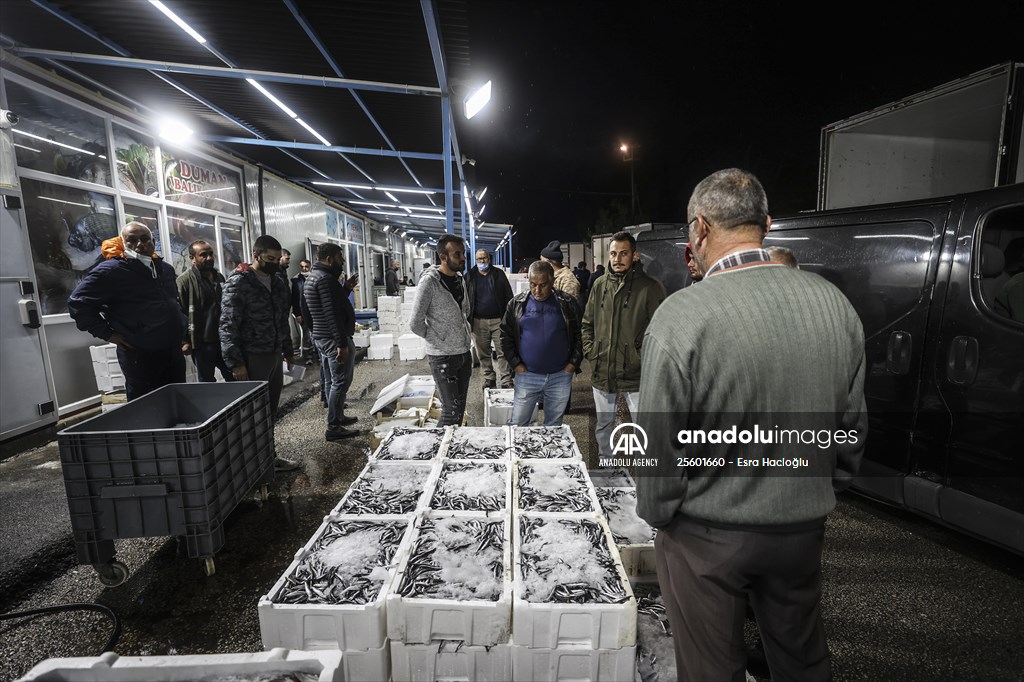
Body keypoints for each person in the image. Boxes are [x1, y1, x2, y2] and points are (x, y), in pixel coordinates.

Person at [635, 168, 868, 682]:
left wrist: (661, 514)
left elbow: (658, 445)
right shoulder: (834, 305)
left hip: (706, 533)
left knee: (712, 666)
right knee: (802, 658)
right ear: (766, 222)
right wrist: (819, 491)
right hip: (801, 528)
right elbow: (851, 428)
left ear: (698, 229)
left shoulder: (682, 316)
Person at [68, 222, 186, 401]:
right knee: (146, 407)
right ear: (123, 244)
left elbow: (173, 303)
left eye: (145, 239)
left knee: (178, 401)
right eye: (132, 240)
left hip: (172, 351)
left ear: (153, 242)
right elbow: (78, 304)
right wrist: (108, 333)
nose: (139, 244)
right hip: (141, 355)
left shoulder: (165, 269)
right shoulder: (111, 272)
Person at [581, 231, 665, 462]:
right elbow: (587, 323)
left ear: (635, 255)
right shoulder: (599, 285)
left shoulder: (650, 288)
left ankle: (648, 477)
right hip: (603, 369)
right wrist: (592, 351)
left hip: (636, 373)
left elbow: (660, 332)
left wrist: (641, 357)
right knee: (604, 425)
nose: (617, 259)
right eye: (613, 254)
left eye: (624, 253)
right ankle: (607, 471)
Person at [220, 235, 298, 472]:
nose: (275, 263)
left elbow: (282, 318)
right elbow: (227, 325)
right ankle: (249, 464)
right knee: (252, 415)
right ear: (256, 255)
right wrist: (235, 363)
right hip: (252, 357)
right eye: (270, 258)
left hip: (273, 353)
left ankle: (268, 458)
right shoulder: (239, 282)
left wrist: (287, 349)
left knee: (269, 411)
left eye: (277, 258)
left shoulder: (278, 281)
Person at [500, 260, 582, 426]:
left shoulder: (567, 304)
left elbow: (579, 335)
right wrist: (516, 364)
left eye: (543, 285)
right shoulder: (516, 304)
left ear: (552, 282)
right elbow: (505, 336)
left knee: (553, 425)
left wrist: (572, 364)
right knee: (518, 424)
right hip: (527, 376)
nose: (537, 290)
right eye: (532, 284)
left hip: (560, 376)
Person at [410, 235, 473, 427]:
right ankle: (437, 453)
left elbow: (466, 311)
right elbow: (415, 322)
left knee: (459, 410)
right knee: (451, 413)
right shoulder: (429, 283)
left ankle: (452, 450)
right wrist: (438, 338)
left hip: (463, 354)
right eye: (457, 254)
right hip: (443, 358)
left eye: (463, 253)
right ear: (443, 256)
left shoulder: (460, 279)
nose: (463, 258)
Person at [302, 243, 359, 441]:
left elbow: (326, 306)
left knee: (333, 380)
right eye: (340, 257)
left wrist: (346, 289)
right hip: (332, 338)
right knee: (340, 382)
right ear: (329, 259)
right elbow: (331, 314)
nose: (342, 261)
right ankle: (333, 426)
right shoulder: (326, 280)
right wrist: (341, 344)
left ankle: (338, 417)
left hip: (322, 336)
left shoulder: (314, 278)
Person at [176, 239, 233, 383]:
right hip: (202, 343)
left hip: (224, 339)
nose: (209, 258)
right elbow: (180, 311)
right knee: (207, 382)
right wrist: (184, 340)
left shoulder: (219, 277)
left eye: (211, 254)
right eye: (203, 255)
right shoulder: (184, 281)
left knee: (233, 376)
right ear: (192, 258)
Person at [467, 248, 515, 389]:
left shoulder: (498, 274)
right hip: (478, 321)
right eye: (479, 259)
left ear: (489, 258)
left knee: (503, 351)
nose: (482, 261)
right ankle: (489, 378)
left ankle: (506, 379)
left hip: (498, 320)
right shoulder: (470, 276)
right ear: (475, 261)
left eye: (485, 258)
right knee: (483, 352)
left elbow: (508, 295)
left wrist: (509, 317)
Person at [291, 259, 318, 365]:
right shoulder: (296, 280)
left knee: (317, 334)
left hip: (315, 311)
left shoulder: (315, 278)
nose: (304, 269)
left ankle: (319, 355)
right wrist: (297, 314)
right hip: (303, 312)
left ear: (310, 267)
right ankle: (308, 357)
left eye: (306, 266)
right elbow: (295, 298)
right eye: (302, 267)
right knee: (306, 336)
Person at [540, 240, 581, 305]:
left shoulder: (568, 281)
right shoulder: (551, 276)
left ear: (548, 262)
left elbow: (571, 309)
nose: (540, 264)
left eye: (541, 261)